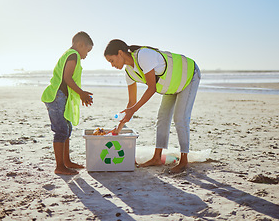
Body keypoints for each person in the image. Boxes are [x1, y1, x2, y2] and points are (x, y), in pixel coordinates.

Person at [104, 39, 201, 173]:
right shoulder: (129, 73)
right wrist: (118, 127)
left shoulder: (143, 55)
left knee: (179, 118)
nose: (112, 65)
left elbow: (151, 88)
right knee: (162, 118)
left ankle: (184, 161)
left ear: (120, 53)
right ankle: (157, 157)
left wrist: (133, 110)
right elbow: (131, 102)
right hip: (172, 85)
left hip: (189, 75)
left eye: (112, 61)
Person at [42, 31, 94, 175]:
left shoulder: (70, 54)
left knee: (67, 128)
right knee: (61, 130)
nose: (87, 55)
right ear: (80, 44)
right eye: (87, 50)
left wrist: (81, 94)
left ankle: (66, 161)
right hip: (56, 97)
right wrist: (82, 93)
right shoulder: (73, 55)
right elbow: (67, 78)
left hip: (60, 97)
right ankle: (60, 166)